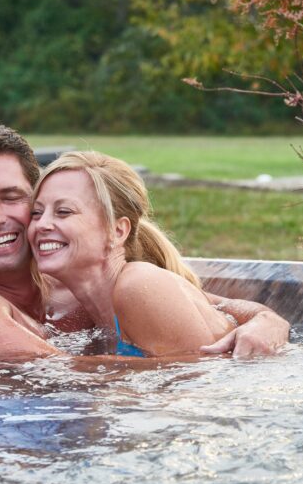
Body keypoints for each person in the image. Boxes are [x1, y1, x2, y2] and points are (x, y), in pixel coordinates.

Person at [0, 123, 289, 358]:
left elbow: (229, 312)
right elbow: (64, 377)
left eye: (11, 198)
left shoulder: (91, 287)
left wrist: (269, 321)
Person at [30, 150, 233, 357]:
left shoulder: (139, 284)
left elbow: (198, 378)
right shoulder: (91, 306)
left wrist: (68, 366)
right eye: (36, 213)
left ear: (117, 231)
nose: (41, 224)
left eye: (64, 212)